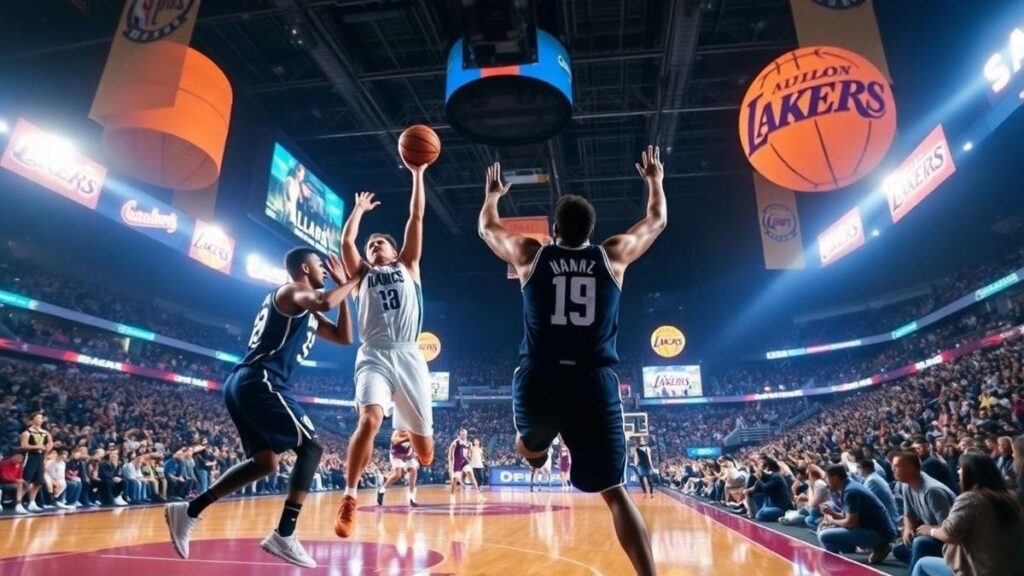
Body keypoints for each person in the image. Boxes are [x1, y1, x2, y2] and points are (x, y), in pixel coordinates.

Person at [478, 146, 666, 576]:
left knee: (527, 445)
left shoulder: (531, 253)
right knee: (616, 493)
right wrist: (654, 180)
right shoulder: (613, 254)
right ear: (593, 230)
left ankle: (537, 452)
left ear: (555, 228)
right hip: (593, 382)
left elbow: (487, 228)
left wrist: (493, 194)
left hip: (541, 377)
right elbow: (656, 221)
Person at [166, 247, 356, 569]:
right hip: (261, 379)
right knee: (312, 446)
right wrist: (354, 280)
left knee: (265, 464)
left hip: (245, 383)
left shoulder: (308, 308)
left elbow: (344, 337)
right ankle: (285, 533)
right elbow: (324, 300)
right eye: (318, 265)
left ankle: (189, 510)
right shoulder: (293, 290)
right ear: (304, 268)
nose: (324, 269)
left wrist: (347, 291)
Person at [334, 158, 436, 538]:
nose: (373, 245)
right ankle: (349, 497)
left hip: (410, 355)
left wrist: (417, 173)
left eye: (380, 243)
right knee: (370, 419)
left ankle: (417, 438)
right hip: (374, 353)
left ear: (393, 252)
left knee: (425, 453)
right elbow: (346, 242)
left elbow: (417, 217)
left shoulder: (409, 265)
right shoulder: (361, 276)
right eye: (370, 244)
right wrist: (358, 211)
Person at [911, 452, 1024, 576]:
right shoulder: (1010, 498)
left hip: (980, 571)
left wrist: (930, 530)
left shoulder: (971, 499)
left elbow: (949, 534)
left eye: (961, 468)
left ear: (971, 473)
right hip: (1012, 569)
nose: (958, 472)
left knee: (922, 563)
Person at [817, 464, 896, 564]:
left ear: (835, 478)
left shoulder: (851, 492)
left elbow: (851, 523)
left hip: (879, 534)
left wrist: (832, 520)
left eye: (826, 478)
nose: (826, 482)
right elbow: (847, 516)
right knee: (826, 529)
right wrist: (832, 513)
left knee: (824, 535)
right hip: (872, 529)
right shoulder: (849, 486)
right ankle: (865, 548)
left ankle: (836, 566)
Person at [893, 451, 957, 571]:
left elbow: (950, 530)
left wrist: (930, 530)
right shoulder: (907, 485)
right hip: (933, 533)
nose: (893, 470)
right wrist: (908, 529)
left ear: (911, 468)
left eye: (897, 467)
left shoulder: (932, 491)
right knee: (899, 550)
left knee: (920, 543)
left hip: (951, 541)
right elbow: (908, 514)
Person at [742, 455, 794, 522]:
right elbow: (757, 486)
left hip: (782, 508)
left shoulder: (776, 476)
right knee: (755, 496)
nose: (759, 467)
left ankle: (778, 515)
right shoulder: (771, 475)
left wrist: (758, 479)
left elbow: (765, 488)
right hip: (774, 503)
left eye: (761, 464)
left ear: (767, 467)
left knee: (760, 515)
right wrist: (748, 490)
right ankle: (756, 511)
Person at [376, 429, 419, 507]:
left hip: (407, 455)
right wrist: (408, 437)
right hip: (396, 454)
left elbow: (415, 444)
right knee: (397, 475)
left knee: (413, 470)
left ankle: (411, 497)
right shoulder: (398, 431)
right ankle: (381, 490)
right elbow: (394, 440)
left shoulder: (413, 431)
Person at [20, 412, 53, 512]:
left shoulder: (45, 432)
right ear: (32, 420)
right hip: (30, 457)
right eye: (38, 418)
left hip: (40, 457)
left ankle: (32, 502)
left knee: (38, 482)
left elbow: (50, 442)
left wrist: (48, 447)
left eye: (41, 418)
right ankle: (18, 502)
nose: (40, 420)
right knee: (26, 481)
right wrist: (37, 446)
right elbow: (23, 446)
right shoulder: (27, 433)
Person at [448, 428, 485, 504]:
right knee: (454, 480)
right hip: (457, 462)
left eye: (465, 434)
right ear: (460, 434)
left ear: (467, 434)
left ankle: (479, 495)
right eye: (462, 433)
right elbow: (450, 454)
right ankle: (452, 496)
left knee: (471, 476)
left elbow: (471, 452)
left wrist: (470, 458)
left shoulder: (469, 443)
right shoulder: (455, 442)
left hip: (465, 461)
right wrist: (450, 465)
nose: (463, 435)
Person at [858, 458, 899, 528]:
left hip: (888, 523)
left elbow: (866, 503)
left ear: (866, 468)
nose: (857, 471)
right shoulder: (874, 477)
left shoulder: (872, 481)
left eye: (858, 468)